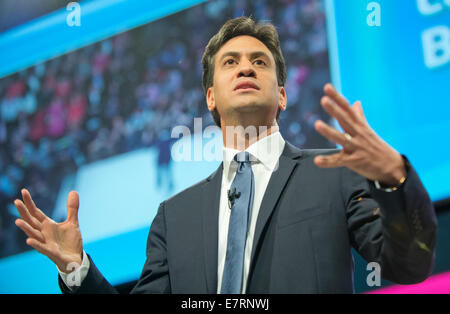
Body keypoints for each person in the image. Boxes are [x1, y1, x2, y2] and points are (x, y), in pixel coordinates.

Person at [13, 17, 437, 294]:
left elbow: (409, 266)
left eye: (260, 62)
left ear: (284, 95)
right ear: (211, 96)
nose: (247, 68)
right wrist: (77, 270)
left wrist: (395, 180)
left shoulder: (335, 174)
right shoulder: (173, 217)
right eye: (231, 62)